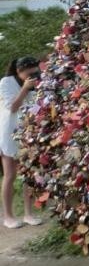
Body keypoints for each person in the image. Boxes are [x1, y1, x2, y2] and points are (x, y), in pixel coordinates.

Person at [0, 56, 44, 228]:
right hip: (9, 132)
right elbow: (12, 107)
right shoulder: (6, 82)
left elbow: (37, 107)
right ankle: (8, 216)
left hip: (28, 132)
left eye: (35, 72)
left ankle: (28, 213)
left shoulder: (36, 83)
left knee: (29, 174)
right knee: (10, 175)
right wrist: (25, 89)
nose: (33, 76)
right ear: (19, 71)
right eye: (30, 73)